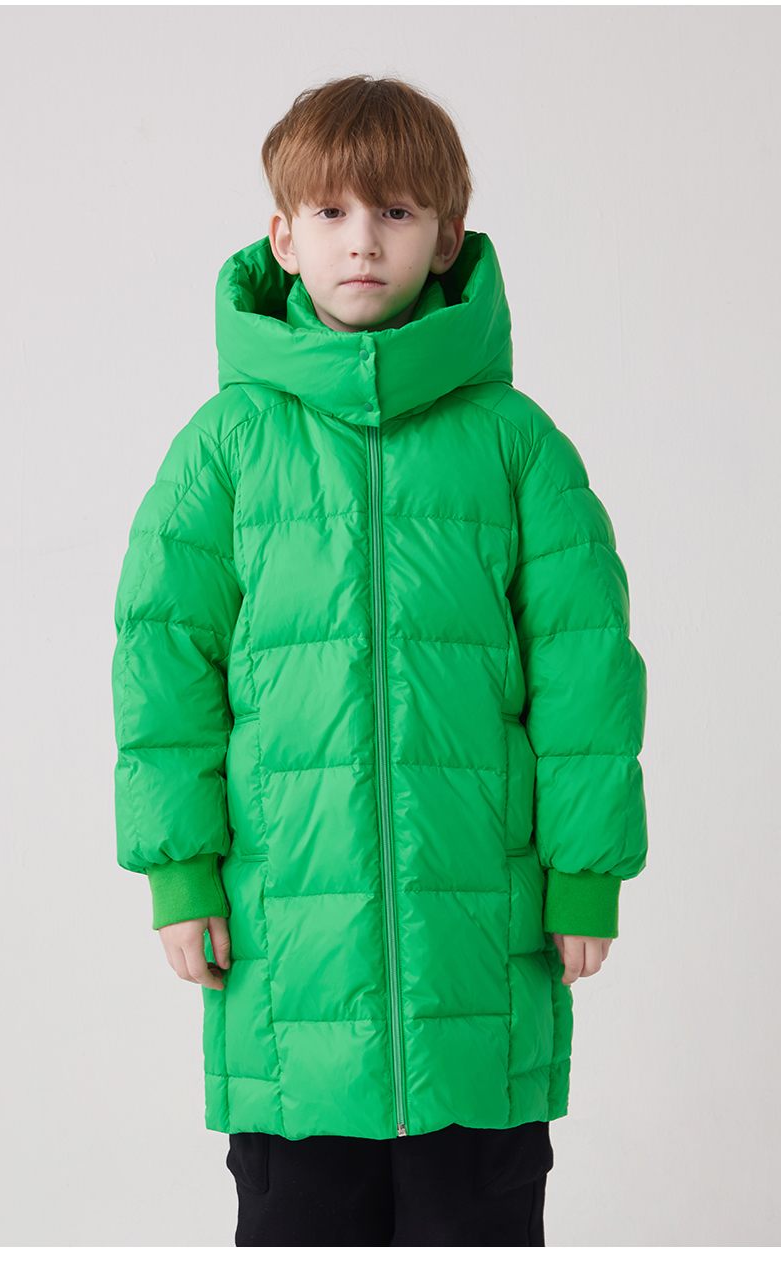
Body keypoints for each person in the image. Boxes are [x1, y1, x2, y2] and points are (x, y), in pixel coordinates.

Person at [112, 75, 648, 1247]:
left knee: (476, 1228)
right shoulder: (226, 448)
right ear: (282, 236)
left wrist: (583, 874)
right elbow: (162, 665)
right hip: (286, 959)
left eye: (396, 212)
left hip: (481, 947)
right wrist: (179, 871)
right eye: (332, 212)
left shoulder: (514, 446)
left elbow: (586, 671)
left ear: (445, 236)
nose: (362, 240)